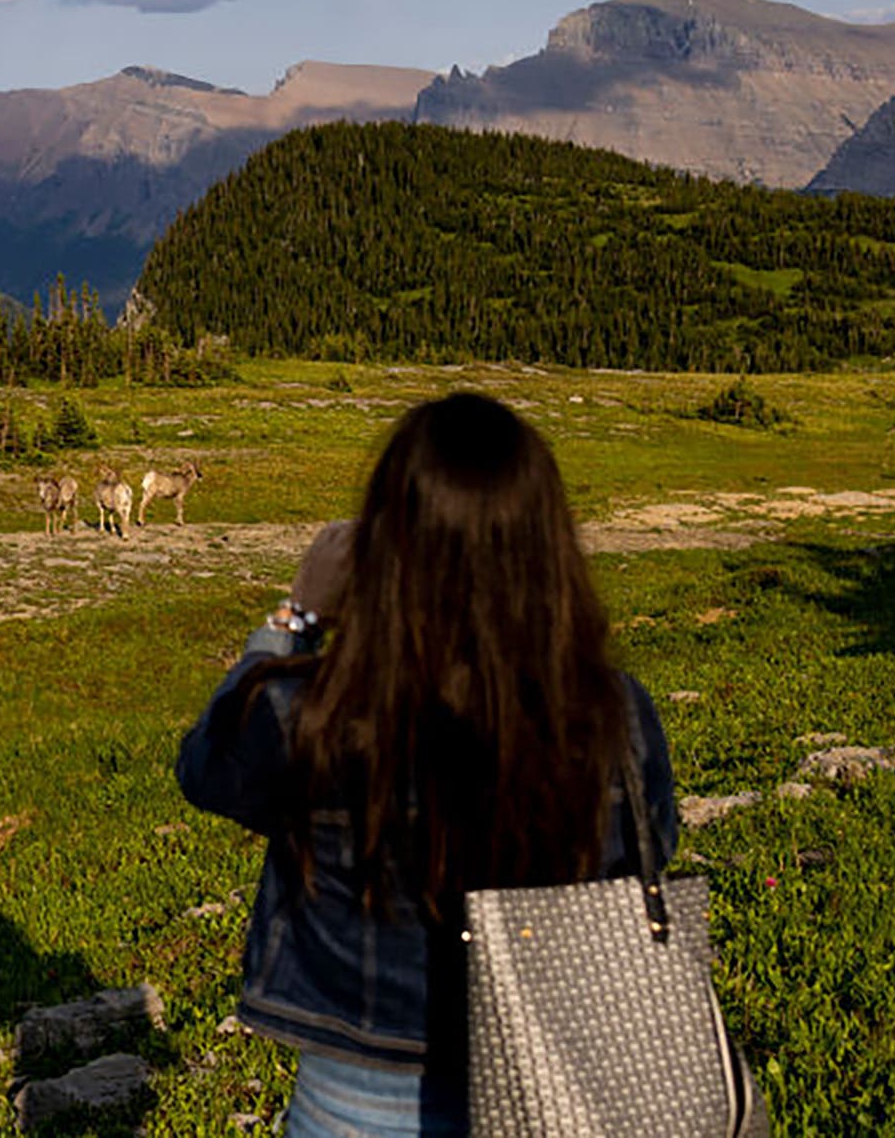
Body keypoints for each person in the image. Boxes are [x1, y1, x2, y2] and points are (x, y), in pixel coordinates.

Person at [174, 394, 680, 1137]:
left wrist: (297, 618)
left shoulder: (314, 710)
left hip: (358, 1093)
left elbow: (205, 767)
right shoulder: (613, 712)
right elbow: (652, 848)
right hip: (559, 1074)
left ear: (383, 544)